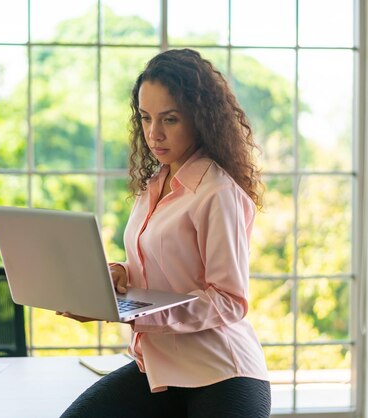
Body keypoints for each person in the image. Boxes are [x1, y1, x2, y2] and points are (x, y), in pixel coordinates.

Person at [60, 48, 271, 418]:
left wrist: (134, 315)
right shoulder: (155, 183)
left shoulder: (218, 193)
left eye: (169, 120)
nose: (154, 134)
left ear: (200, 119)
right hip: (158, 369)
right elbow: (159, 263)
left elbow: (229, 300)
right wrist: (119, 276)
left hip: (221, 373)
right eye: (145, 118)